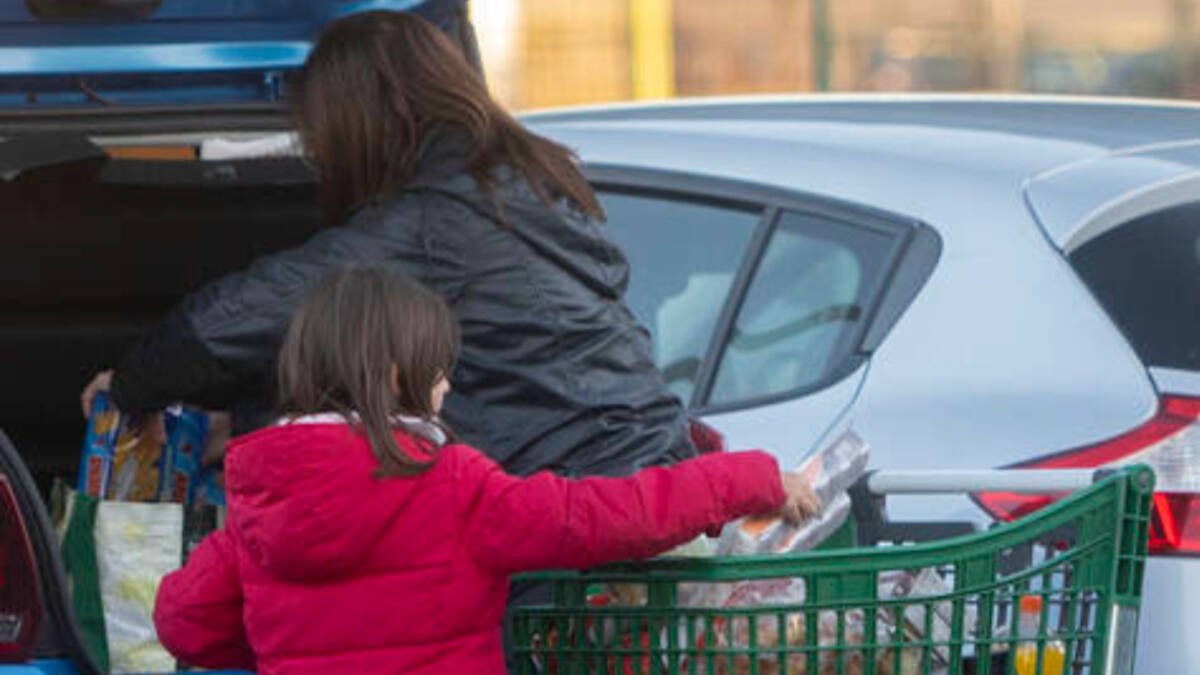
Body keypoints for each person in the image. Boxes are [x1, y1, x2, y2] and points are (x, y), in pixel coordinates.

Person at [81, 8, 697, 481]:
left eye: (322, 132)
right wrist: (240, 426)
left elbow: (221, 325)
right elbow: (464, 379)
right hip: (647, 476)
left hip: (573, 508)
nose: (319, 153)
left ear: (364, 119)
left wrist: (129, 392)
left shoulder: (432, 221)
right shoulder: (528, 187)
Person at [152, 267, 821, 675]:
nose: (445, 386)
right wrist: (749, 479)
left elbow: (183, 620)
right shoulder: (449, 484)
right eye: (439, 368)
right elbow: (603, 515)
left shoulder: (259, 505)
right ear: (396, 374)